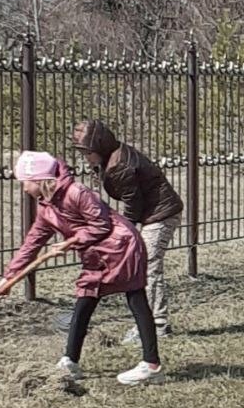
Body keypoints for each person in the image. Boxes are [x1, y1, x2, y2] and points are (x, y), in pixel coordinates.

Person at [0, 151, 163, 387]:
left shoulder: (77, 193)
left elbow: (101, 225)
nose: (23, 189)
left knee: (135, 298)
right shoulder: (46, 209)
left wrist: (70, 242)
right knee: (84, 300)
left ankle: (152, 365)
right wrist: (9, 277)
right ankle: (70, 362)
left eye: (24, 182)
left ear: (38, 179)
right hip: (96, 254)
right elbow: (32, 242)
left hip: (121, 245)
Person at [70, 119, 184, 341]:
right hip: (151, 213)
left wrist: (123, 233)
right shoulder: (109, 159)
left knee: (148, 265)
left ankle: (157, 324)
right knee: (142, 265)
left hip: (161, 213)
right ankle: (152, 322)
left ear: (100, 146)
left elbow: (133, 204)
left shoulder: (120, 165)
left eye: (88, 151)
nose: (85, 157)